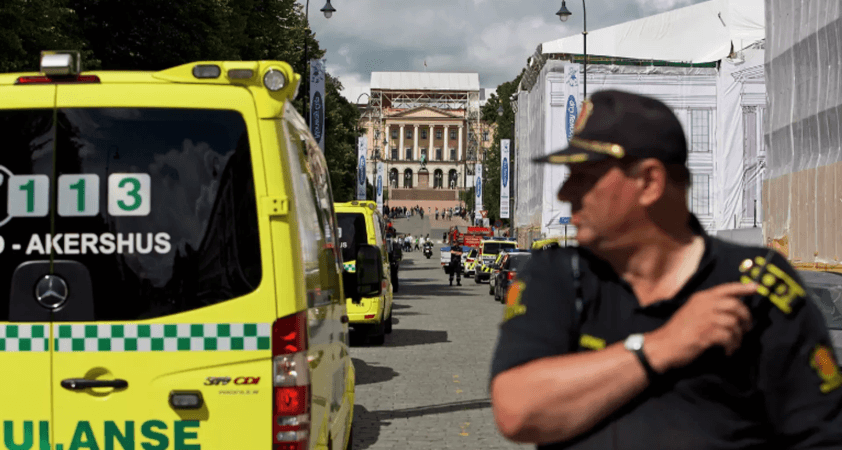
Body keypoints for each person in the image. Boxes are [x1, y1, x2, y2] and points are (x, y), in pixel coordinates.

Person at [489, 90, 842, 448]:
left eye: (586, 176)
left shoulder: (755, 288)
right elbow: (516, 411)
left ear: (649, 183)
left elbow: (821, 435)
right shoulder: (558, 277)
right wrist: (660, 347)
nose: (566, 192)